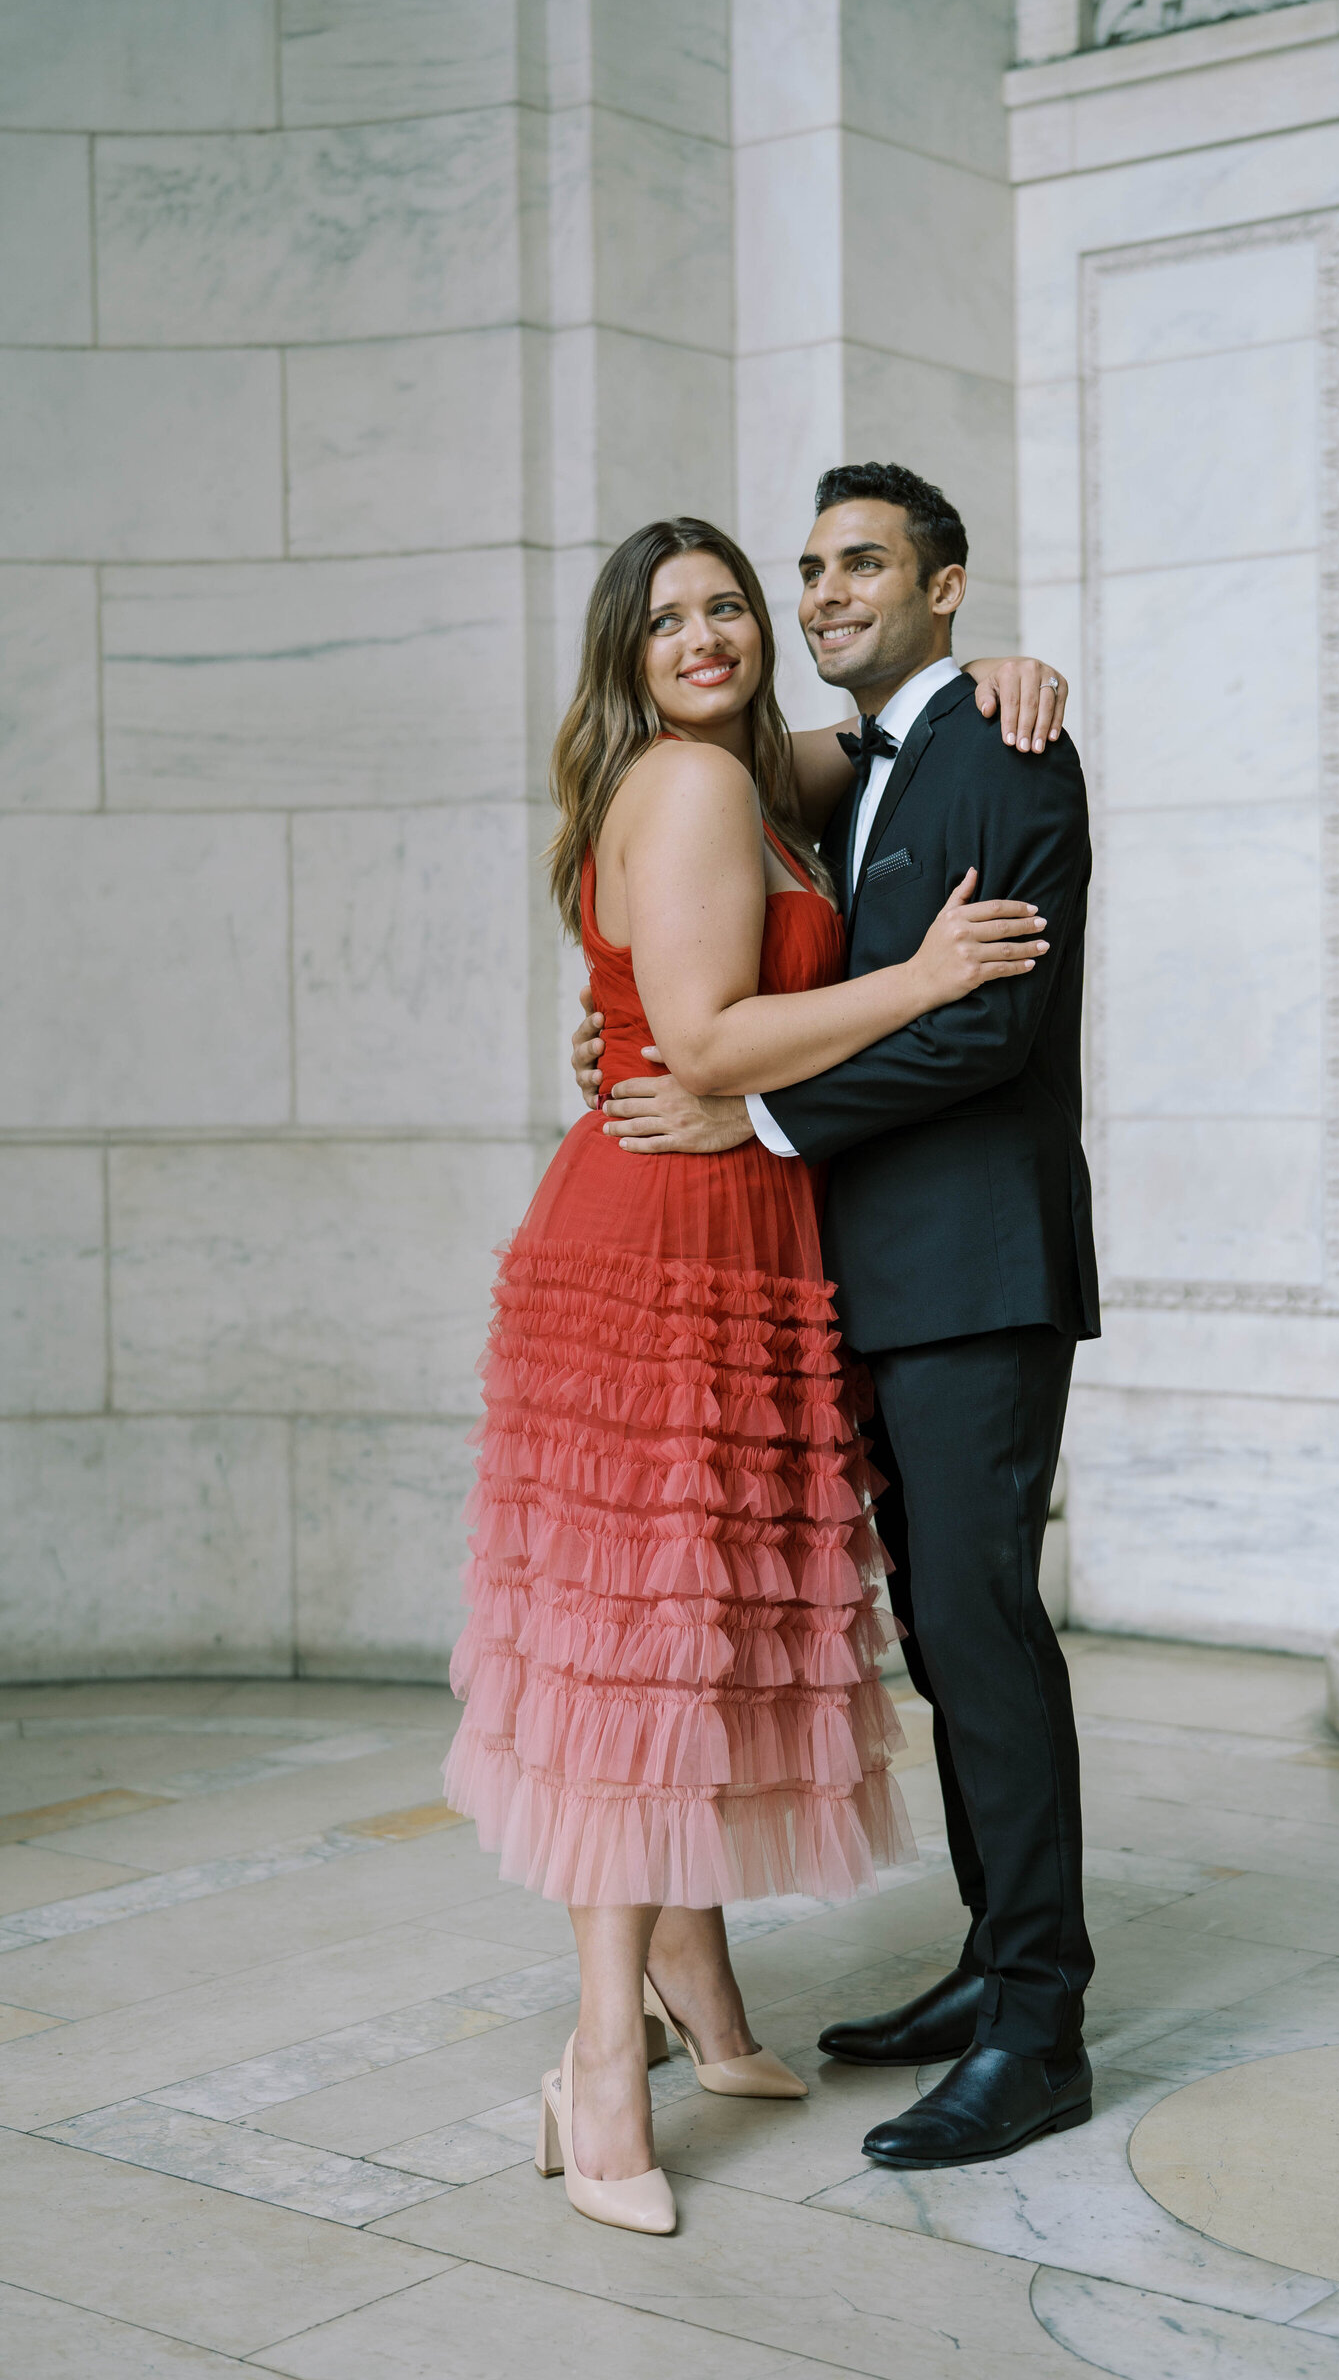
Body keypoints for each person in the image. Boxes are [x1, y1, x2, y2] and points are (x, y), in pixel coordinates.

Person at [443, 509, 1067, 2236]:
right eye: (671, 622)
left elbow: (893, 725)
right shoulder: (702, 787)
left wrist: (1002, 668)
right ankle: (594, 2059)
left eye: (735, 605)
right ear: (623, 655)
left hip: (730, 1223)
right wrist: (924, 975)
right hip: (667, 1230)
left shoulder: (753, 764)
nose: (713, 636)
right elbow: (708, 1041)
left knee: (692, 1622)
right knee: (648, 1642)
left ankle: (701, 2008)